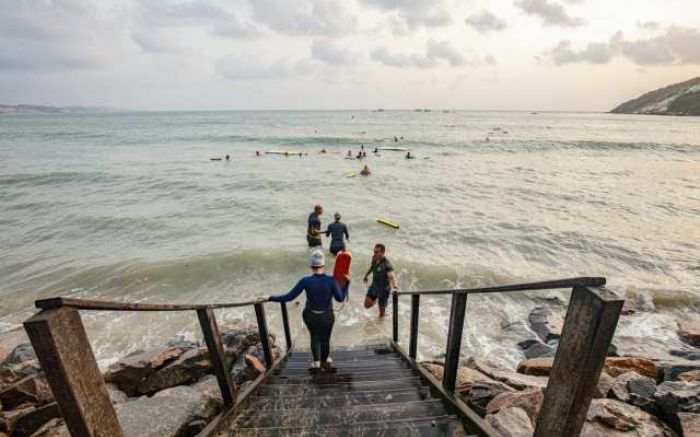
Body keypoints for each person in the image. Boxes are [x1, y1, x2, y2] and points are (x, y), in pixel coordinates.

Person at [267, 250, 349, 369]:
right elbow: (340, 298)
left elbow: (289, 297)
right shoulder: (331, 280)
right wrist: (347, 284)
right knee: (325, 339)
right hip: (326, 316)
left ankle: (316, 362)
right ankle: (324, 360)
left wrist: (270, 298)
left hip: (310, 315)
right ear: (323, 264)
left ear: (311, 265)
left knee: (314, 336)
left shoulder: (305, 281)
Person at [363, 243, 398, 318]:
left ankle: (382, 324)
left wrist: (395, 287)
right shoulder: (374, 258)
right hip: (374, 287)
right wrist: (366, 275)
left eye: (376, 252)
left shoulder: (387, 264)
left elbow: (392, 277)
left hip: (383, 291)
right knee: (366, 305)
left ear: (383, 252)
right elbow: (372, 267)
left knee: (381, 314)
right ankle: (376, 300)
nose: (374, 254)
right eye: (374, 252)